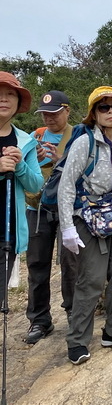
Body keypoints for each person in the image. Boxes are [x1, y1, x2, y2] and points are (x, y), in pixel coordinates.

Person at [58, 86, 112, 365]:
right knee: (92, 278)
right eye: (103, 107)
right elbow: (67, 186)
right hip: (87, 218)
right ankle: (77, 341)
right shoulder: (85, 143)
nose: (110, 112)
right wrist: (67, 226)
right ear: (93, 113)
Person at [25, 90, 79, 345]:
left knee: (71, 263)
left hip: (68, 208)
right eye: (45, 113)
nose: (49, 118)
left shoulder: (79, 136)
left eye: (55, 113)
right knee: (36, 264)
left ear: (67, 111)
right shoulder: (34, 138)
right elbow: (23, 174)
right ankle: (40, 320)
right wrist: (30, 162)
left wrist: (61, 160)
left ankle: (73, 314)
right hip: (36, 209)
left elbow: (86, 170)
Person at [0, 72, 44, 306]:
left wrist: (20, 167)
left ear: (18, 103)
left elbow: (36, 185)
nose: (3, 99)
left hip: (8, 233)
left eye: (10, 94)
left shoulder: (25, 141)